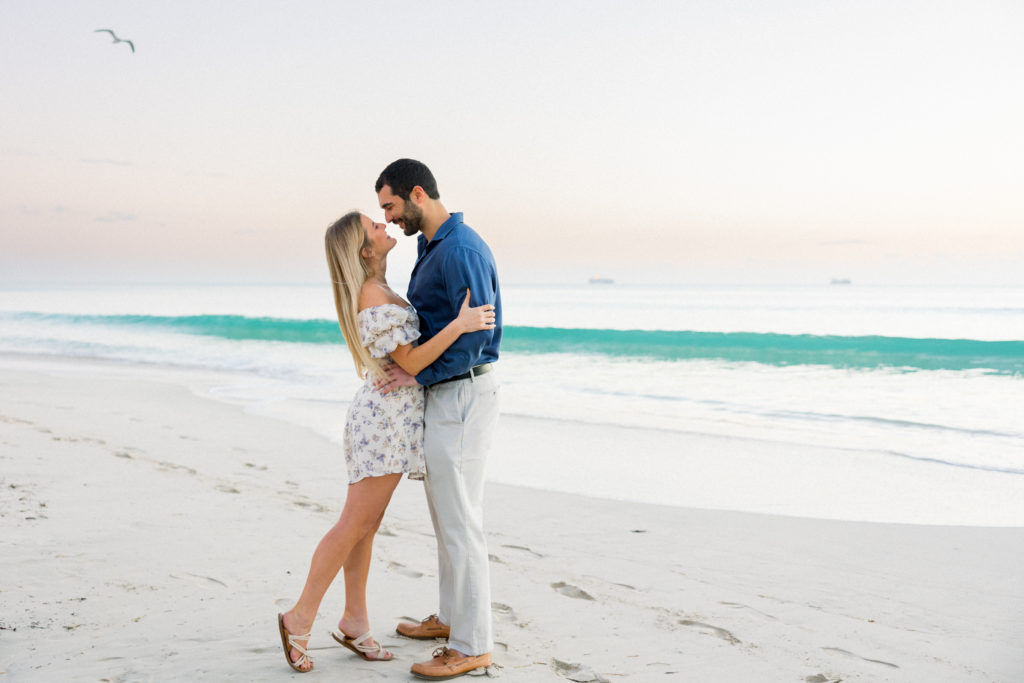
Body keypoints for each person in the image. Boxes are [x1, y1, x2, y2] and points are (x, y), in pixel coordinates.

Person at [276, 211, 496, 673]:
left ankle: (355, 620)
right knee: (354, 524)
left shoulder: (380, 288)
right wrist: (460, 325)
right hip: (384, 423)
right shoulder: (373, 295)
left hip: (388, 419)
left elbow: (407, 360)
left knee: (365, 525)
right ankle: (299, 617)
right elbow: (411, 358)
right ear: (365, 251)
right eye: (373, 226)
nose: (383, 224)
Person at [374, 159, 502, 680]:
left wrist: (416, 376)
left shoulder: (460, 250)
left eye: (391, 206)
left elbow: (474, 337)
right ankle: (451, 619)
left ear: (417, 194)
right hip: (445, 396)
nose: (389, 217)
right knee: (446, 517)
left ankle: (473, 644)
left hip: (463, 396)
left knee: (461, 522)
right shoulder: (433, 247)